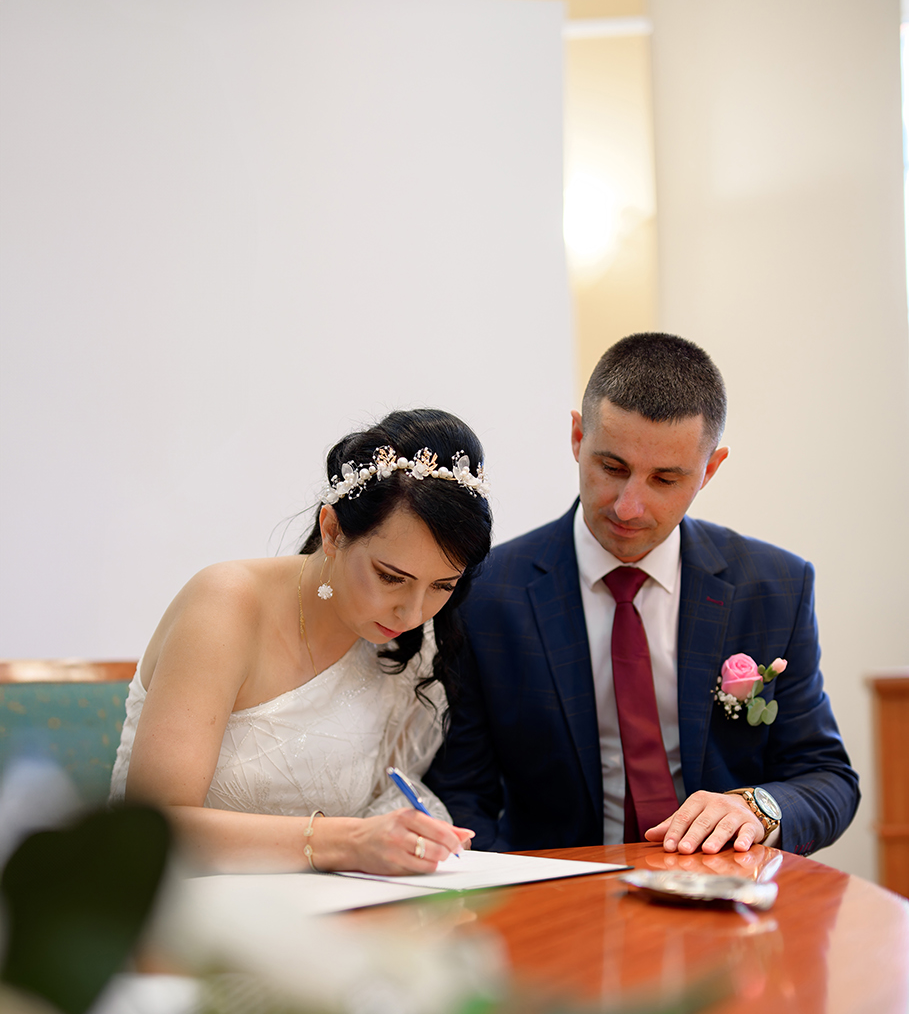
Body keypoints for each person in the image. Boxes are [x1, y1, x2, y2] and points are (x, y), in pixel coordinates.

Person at [426, 333, 859, 856]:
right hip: (556, 889)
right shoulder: (487, 594)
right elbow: (462, 793)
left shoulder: (774, 587)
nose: (628, 507)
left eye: (665, 479)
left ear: (710, 470)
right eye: (612, 468)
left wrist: (757, 808)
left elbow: (827, 777)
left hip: (723, 886)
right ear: (577, 437)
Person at [110, 408, 493, 873]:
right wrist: (346, 841)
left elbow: (385, 796)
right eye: (391, 577)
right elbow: (151, 828)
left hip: (322, 904)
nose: (412, 614)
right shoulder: (224, 605)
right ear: (332, 531)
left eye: (442, 586)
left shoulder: (409, 644)